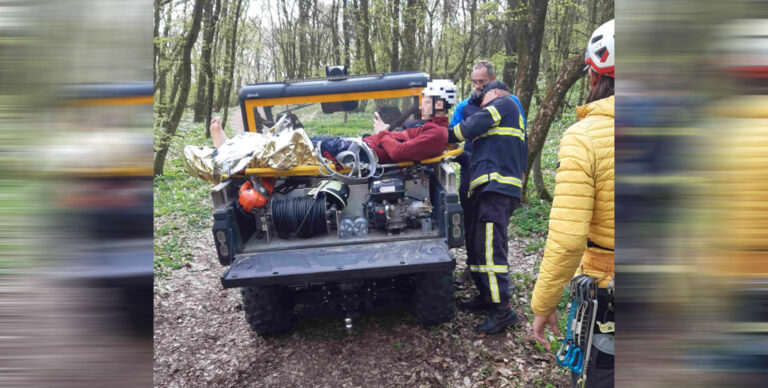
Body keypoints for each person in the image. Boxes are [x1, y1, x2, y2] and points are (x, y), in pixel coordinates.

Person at [530, 19, 614, 387]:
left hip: (609, 289)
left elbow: (567, 240)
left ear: (595, 76)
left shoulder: (583, 138)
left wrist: (543, 304)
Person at [210, 79, 456, 164]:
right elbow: (402, 142)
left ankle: (230, 150)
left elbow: (400, 151)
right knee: (292, 142)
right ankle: (237, 146)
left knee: (289, 149)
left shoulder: (436, 134)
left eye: (426, 101)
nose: (421, 104)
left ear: (438, 104)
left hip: (359, 155)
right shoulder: (431, 129)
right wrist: (386, 132)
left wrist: (382, 133)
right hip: (358, 147)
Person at [447, 80, 527, 334]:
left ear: (493, 93)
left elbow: (472, 125)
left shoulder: (503, 104)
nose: (479, 101)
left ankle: (503, 311)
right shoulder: (501, 122)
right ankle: (486, 296)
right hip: (491, 190)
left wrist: (445, 135)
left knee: (492, 251)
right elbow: (477, 154)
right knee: (482, 246)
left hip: (498, 190)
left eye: (482, 97)